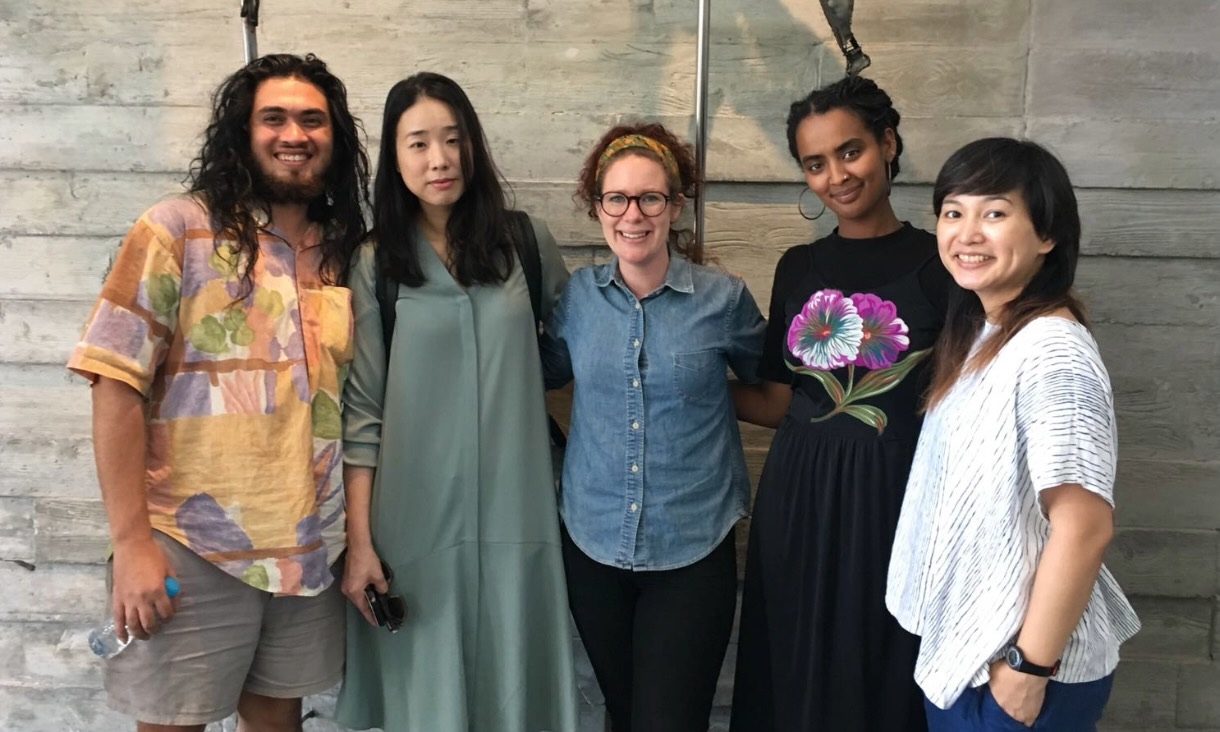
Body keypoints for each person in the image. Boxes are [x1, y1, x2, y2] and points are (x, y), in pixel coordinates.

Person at [67, 53, 370, 730]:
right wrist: (132, 544)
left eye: (313, 120)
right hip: (189, 541)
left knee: (277, 723)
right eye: (275, 117)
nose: (295, 133)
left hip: (306, 546)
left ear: (335, 138)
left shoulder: (346, 254)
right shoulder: (176, 229)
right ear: (243, 131)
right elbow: (113, 383)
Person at [335, 71, 579, 732]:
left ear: (472, 145)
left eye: (452, 139)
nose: (439, 159)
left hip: (517, 510)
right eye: (417, 144)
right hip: (411, 522)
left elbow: (576, 351)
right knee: (422, 692)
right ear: (395, 158)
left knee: (515, 685)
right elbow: (361, 415)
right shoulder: (375, 263)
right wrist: (359, 543)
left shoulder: (525, 244)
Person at [886, 137, 1141, 731]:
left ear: (1046, 234)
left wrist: (1027, 670)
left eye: (994, 213)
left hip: (1018, 669)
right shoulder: (985, 332)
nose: (967, 233)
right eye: (954, 212)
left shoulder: (1053, 351)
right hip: (971, 655)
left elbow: (1084, 525)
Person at [729, 75, 952, 732]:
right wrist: (688, 384)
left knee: (883, 676)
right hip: (797, 501)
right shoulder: (797, 266)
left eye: (850, 151)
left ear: (887, 143)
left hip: (893, 506)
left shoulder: (943, 265)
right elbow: (778, 397)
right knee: (793, 671)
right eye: (816, 163)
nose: (837, 176)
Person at [542, 123, 766, 732]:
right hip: (592, 543)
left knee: (670, 721)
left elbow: (771, 386)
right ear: (597, 207)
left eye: (650, 198)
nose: (632, 214)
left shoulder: (723, 300)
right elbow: (539, 376)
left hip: (692, 550)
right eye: (617, 198)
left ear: (675, 205)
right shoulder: (578, 301)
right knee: (622, 711)